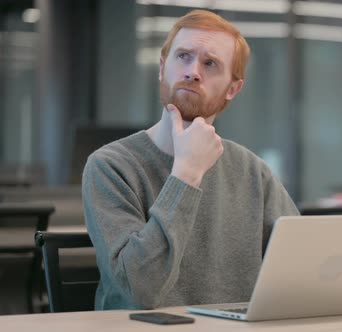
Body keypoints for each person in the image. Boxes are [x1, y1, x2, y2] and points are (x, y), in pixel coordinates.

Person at [82, 10, 299, 310]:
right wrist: (186, 173)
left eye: (210, 64)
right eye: (183, 56)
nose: (192, 71)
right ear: (162, 68)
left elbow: (302, 269)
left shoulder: (253, 173)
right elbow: (139, 292)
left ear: (232, 89)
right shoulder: (110, 167)